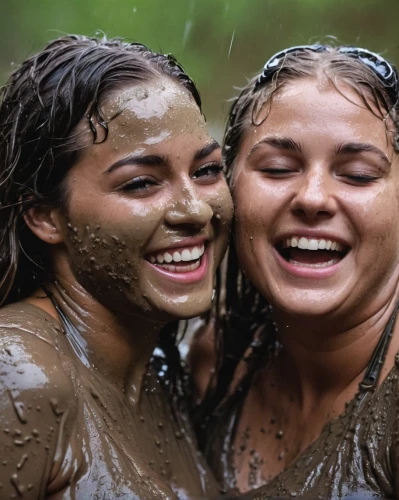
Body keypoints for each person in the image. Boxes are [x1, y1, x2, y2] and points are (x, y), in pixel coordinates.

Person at [0, 34, 233, 499]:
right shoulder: (18, 375)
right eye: (142, 183)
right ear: (44, 216)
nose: (196, 210)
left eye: (206, 171)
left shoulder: (165, 375)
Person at [192, 44, 399, 499]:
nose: (313, 197)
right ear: (228, 190)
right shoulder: (215, 359)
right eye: (279, 168)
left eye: (359, 175)